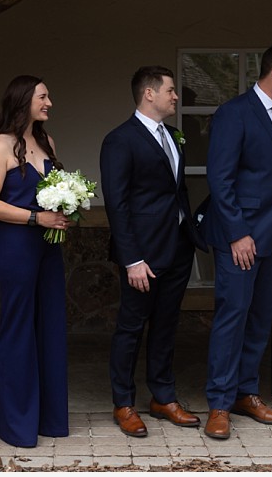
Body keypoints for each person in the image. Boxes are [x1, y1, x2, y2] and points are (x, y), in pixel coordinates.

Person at [200, 43, 272, 440]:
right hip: (241, 238)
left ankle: (247, 392)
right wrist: (238, 233)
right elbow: (220, 178)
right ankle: (219, 403)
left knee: (259, 319)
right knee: (232, 317)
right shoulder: (234, 112)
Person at [99, 66, 207, 438]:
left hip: (178, 246)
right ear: (149, 94)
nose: (176, 97)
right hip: (142, 254)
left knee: (167, 324)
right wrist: (132, 259)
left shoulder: (174, 137)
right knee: (131, 328)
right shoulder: (120, 140)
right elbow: (117, 204)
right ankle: (124, 403)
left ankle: (162, 396)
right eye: (171, 90)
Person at [0, 75, 71, 447]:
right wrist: (36, 218)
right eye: (43, 96)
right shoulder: (1, 145)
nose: (49, 103)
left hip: (49, 246)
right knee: (18, 328)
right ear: (23, 100)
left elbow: (53, 192)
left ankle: (49, 419)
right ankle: (17, 425)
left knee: (50, 325)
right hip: (17, 246)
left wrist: (66, 209)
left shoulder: (48, 141)